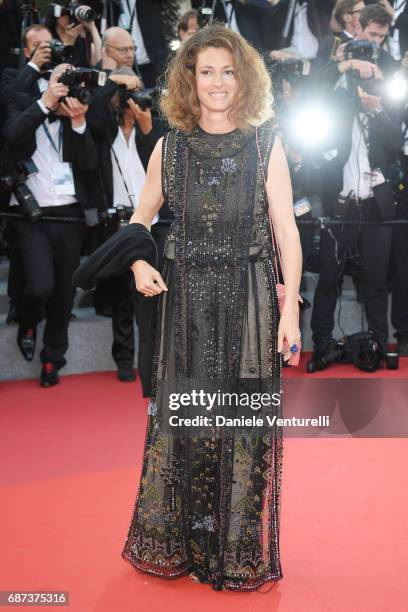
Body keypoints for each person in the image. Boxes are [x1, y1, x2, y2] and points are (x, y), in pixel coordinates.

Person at [121, 24, 302, 591]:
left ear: (243, 78)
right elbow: (137, 221)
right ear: (188, 80)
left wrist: (290, 310)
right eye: (206, 71)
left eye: (227, 71)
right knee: (191, 423)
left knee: (243, 425)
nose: (217, 82)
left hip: (250, 297)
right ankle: (190, 541)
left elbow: (286, 232)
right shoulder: (168, 147)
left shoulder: (265, 143)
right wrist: (138, 262)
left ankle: (236, 546)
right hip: (187, 304)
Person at [3, 63, 98, 386]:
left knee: (62, 294)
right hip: (33, 216)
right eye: (58, 84)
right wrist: (44, 103)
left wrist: (79, 121)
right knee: (40, 284)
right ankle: (28, 318)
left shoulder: (72, 120)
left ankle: (53, 358)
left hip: (70, 216)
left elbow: (88, 164)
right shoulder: (27, 111)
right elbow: (11, 134)